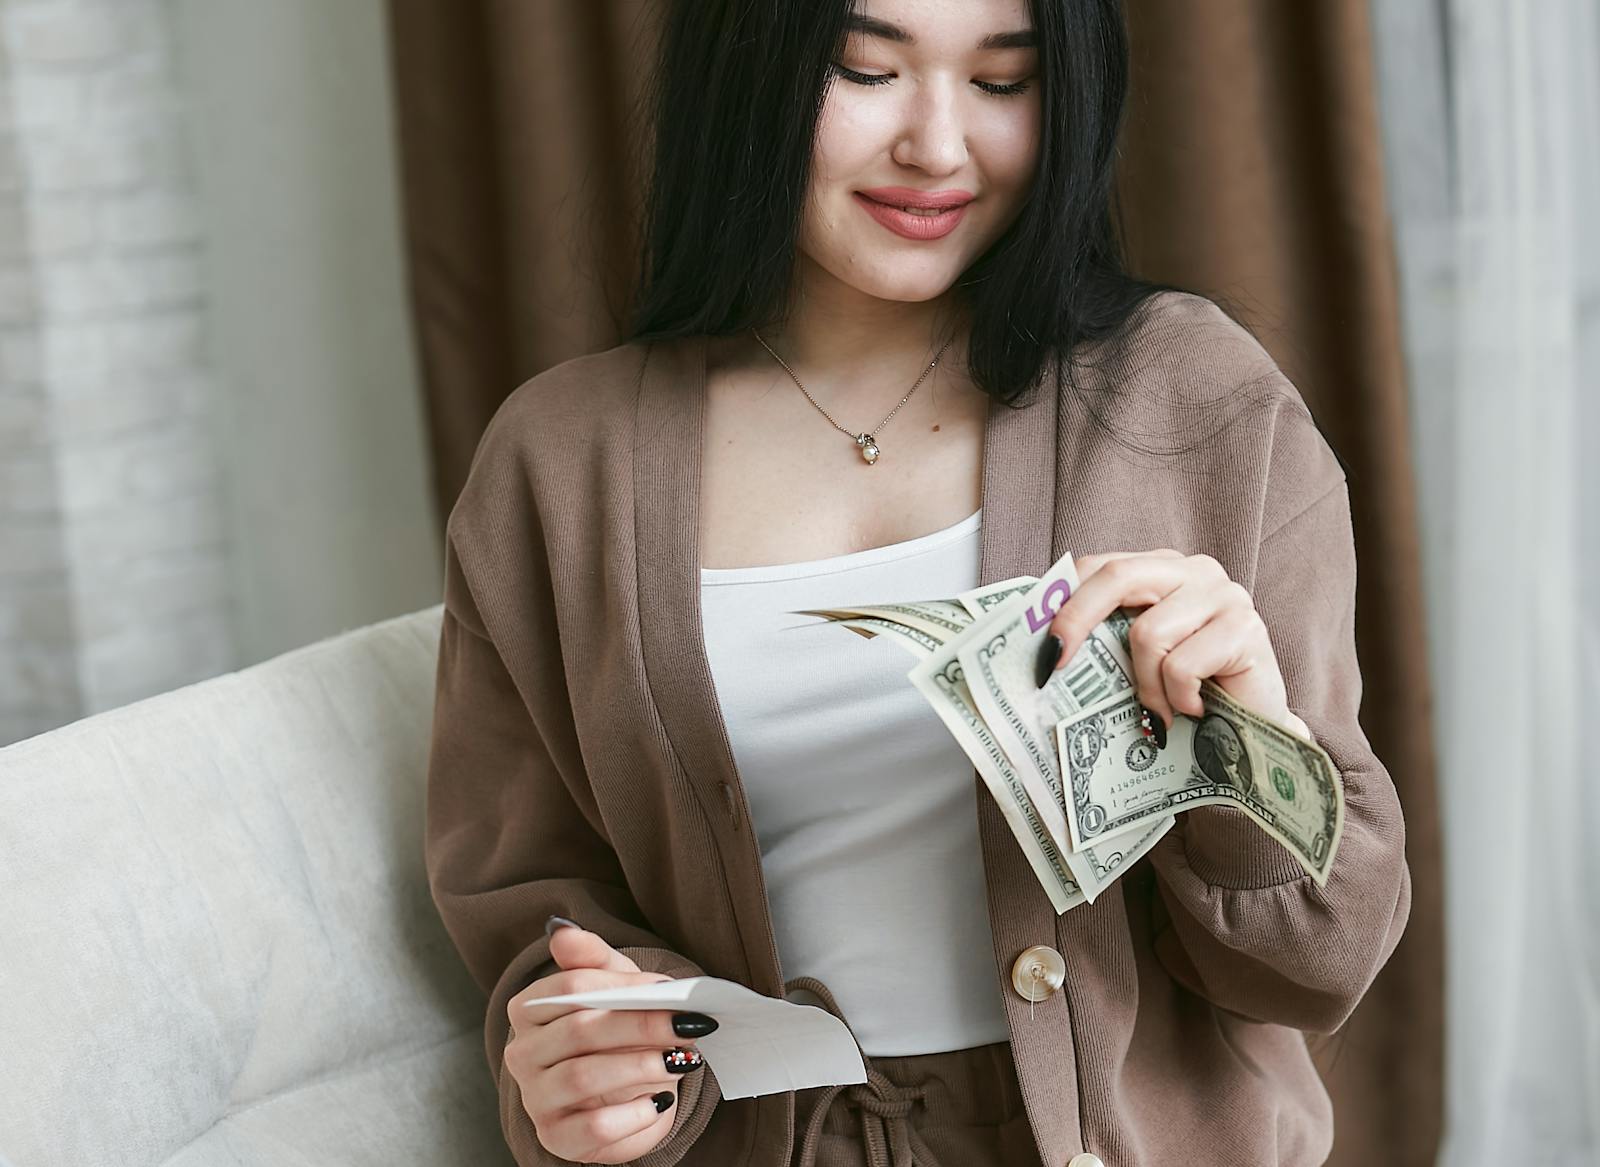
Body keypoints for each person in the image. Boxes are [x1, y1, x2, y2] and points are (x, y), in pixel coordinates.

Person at [423, 1, 1413, 1165]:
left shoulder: (1194, 402)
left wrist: (1250, 750)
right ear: (749, 71)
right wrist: (583, 1057)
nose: (939, 147)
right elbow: (535, 905)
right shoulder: (558, 463)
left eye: (1003, 83)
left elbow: (1324, 959)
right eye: (865, 69)